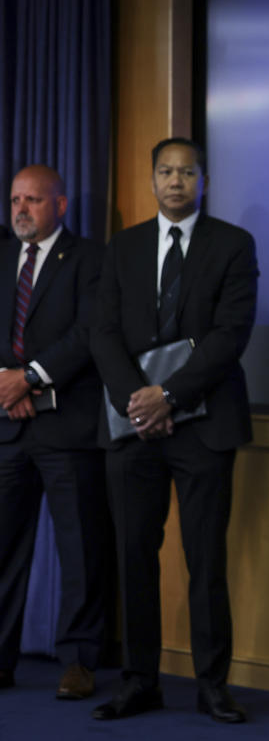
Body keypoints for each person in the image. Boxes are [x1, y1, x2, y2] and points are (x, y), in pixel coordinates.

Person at [90, 138, 258, 723]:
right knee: (134, 557)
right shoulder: (124, 247)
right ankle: (140, 682)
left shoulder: (233, 245)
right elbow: (103, 332)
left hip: (204, 425)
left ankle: (212, 685)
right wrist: (138, 402)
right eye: (165, 171)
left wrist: (170, 394)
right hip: (132, 427)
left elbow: (230, 335)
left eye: (187, 172)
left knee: (205, 560)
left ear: (203, 179)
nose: (176, 181)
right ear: (152, 178)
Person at [0, 165, 108, 700]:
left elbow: (88, 333)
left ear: (60, 205)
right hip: (9, 427)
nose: (22, 209)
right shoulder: (1, 256)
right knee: (3, 549)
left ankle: (79, 662)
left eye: (34, 200)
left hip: (68, 427)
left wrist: (31, 380)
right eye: (16, 199)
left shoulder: (89, 259)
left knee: (80, 550)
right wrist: (5, 385)